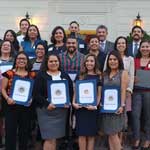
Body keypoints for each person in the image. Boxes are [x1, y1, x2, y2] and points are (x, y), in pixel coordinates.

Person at [33, 54, 73, 150]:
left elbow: (70, 92)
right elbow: (36, 94)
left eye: (56, 61)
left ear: (59, 62)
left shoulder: (64, 75)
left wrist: (68, 102)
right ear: (46, 63)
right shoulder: (41, 76)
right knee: (49, 138)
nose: (54, 63)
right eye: (51, 61)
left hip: (61, 112)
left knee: (54, 138)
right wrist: (47, 104)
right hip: (46, 111)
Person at [1, 51, 36, 150]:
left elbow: (34, 91)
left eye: (24, 59)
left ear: (27, 61)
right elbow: (2, 88)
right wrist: (7, 98)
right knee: (10, 132)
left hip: (26, 107)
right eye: (19, 58)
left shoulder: (32, 75)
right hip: (11, 106)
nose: (21, 60)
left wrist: (31, 99)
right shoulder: (9, 73)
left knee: (24, 132)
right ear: (16, 60)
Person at [100, 50, 128, 150]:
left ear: (119, 60)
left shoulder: (123, 73)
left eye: (115, 59)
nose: (112, 61)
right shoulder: (104, 74)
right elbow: (102, 90)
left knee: (113, 133)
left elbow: (123, 90)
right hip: (106, 108)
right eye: (110, 59)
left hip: (117, 108)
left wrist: (122, 105)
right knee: (109, 133)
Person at [72, 54, 102, 150]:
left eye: (91, 61)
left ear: (95, 63)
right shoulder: (80, 75)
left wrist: (95, 106)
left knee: (91, 135)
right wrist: (73, 103)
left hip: (92, 110)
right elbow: (75, 92)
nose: (89, 63)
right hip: (81, 109)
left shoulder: (99, 76)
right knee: (81, 135)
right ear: (84, 63)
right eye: (87, 61)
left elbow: (99, 94)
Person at [132, 40, 150, 149]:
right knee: (135, 116)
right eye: (143, 47)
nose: (145, 49)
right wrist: (132, 79)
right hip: (137, 92)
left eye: (147, 47)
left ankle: (148, 139)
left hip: (149, 92)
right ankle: (137, 138)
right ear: (139, 48)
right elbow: (129, 74)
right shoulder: (135, 61)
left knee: (148, 116)